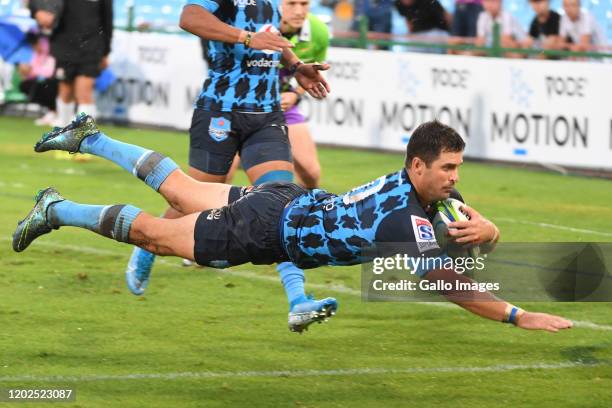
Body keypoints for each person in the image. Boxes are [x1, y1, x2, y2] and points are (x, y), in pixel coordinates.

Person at [14, 114, 573, 334]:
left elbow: (467, 226)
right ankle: (56, 208)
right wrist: (517, 315)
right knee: (155, 237)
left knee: (181, 190)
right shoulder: (408, 217)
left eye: (458, 169)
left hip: (285, 201)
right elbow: (444, 283)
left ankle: (90, 137)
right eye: (447, 168)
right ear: (419, 165)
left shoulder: (417, 189)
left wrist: (492, 232)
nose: (454, 178)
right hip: (268, 231)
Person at [123, 0, 331, 309]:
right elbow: (188, 17)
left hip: (266, 115)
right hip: (219, 112)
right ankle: (147, 243)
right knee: (190, 201)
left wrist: (296, 65)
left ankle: (298, 299)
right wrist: (246, 38)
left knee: (282, 201)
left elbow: (269, 36)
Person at [226, 0, 329, 188]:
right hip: (239, 105)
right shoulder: (254, 23)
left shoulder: (318, 30)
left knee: (311, 173)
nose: (299, 11)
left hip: (282, 106)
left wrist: (296, 94)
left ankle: (305, 213)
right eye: (292, 4)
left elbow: (313, 71)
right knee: (222, 176)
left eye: (304, 4)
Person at [29, 0, 113, 125]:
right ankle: (63, 127)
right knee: (65, 91)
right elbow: (38, 4)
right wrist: (36, 10)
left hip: (91, 47)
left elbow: (107, 20)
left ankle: (84, 135)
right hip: (64, 45)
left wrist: (106, 52)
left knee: (84, 92)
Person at [17, 32, 58, 126]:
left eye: (36, 44)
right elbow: (33, 72)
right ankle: (52, 111)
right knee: (25, 85)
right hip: (42, 82)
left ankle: (55, 112)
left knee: (50, 84)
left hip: (55, 82)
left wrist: (31, 70)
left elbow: (50, 72)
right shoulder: (36, 55)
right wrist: (25, 71)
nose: (34, 47)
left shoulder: (52, 52)